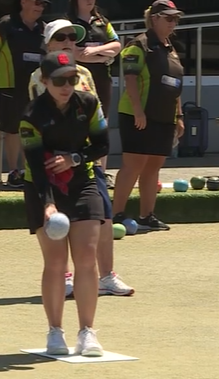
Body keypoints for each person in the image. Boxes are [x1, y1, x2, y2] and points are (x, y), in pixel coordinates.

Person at [28, 20, 134, 298]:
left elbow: (94, 116)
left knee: (105, 219)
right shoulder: (39, 78)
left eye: (72, 38)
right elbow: (49, 121)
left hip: (85, 158)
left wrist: (86, 155)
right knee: (59, 223)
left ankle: (107, 276)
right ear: (48, 43)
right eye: (61, 37)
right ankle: (64, 278)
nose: (68, 41)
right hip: (55, 162)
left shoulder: (84, 72)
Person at [20, 51, 109, 357]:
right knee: (56, 263)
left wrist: (75, 157)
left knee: (86, 258)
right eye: (59, 80)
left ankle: (87, 332)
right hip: (42, 187)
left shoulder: (89, 104)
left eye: (71, 79)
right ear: (45, 81)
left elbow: (103, 144)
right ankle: (55, 331)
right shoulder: (32, 115)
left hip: (82, 183)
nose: (67, 86)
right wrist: (47, 205)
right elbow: (33, 162)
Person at [110, 0, 185, 231]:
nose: (174, 23)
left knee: (154, 165)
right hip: (138, 114)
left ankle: (147, 216)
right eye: (169, 18)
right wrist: (138, 111)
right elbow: (130, 80)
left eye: (176, 19)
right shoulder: (138, 45)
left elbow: (175, 84)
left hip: (165, 115)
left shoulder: (170, 48)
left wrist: (179, 116)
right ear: (154, 18)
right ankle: (116, 215)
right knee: (133, 164)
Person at [0, 0, 49, 188]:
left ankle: (29, 169)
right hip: (11, 86)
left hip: (36, 89)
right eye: (37, 2)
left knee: (34, 129)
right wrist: (4, 73)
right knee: (12, 129)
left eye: (44, 4)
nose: (40, 7)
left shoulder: (44, 29)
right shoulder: (6, 24)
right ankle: (14, 172)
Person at [66, 0, 121, 180]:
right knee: (79, 122)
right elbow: (76, 54)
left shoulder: (102, 21)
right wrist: (104, 57)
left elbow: (117, 46)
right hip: (78, 79)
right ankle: (80, 169)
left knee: (102, 123)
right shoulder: (69, 22)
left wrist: (94, 52)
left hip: (102, 80)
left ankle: (101, 173)